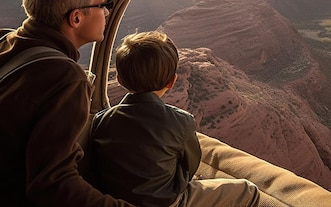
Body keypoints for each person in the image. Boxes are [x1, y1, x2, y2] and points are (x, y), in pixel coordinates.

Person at [0, 0, 135, 206]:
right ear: (76, 18)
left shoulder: (5, 41)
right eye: (102, 5)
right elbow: (53, 184)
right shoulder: (65, 77)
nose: (106, 12)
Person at [90, 31, 260, 207]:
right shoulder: (180, 121)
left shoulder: (102, 120)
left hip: (116, 202)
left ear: (119, 80)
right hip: (168, 203)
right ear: (171, 81)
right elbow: (189, 166)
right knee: (248, 191)